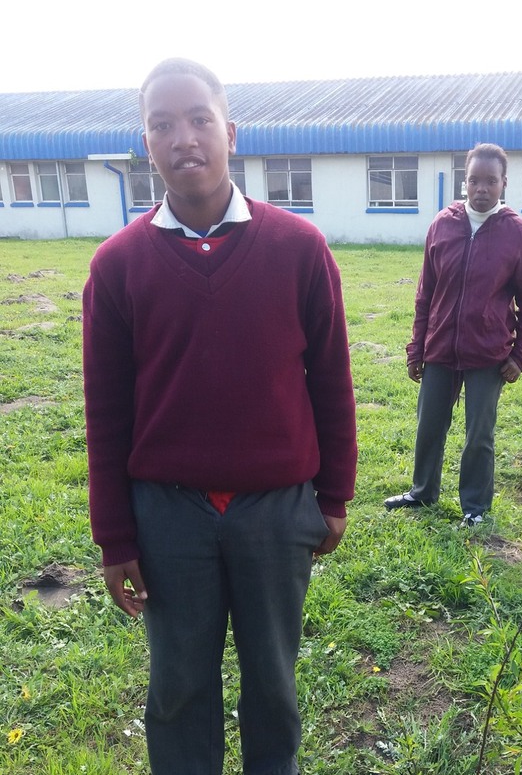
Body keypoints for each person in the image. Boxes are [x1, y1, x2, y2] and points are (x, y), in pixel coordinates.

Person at [82, 58, 357, 775]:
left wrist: (334, 496)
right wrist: (115, 535)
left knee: (274, 683)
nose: (184, 138)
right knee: (178, 688)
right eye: (162, 124)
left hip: (276, 512)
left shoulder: (299, 249)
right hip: (167, 517)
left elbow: (331, 380)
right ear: (146, 143)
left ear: (231, 133)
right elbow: (106, 412)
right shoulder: (117, 266)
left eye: (200, 119)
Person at [384, 143, 522, 526]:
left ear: (504, 183)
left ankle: (475, 509)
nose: (481, 189)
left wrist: (521, 356)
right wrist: (416, 349)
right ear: (465, 181)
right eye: (474, 180)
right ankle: (422, 492)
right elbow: (425, 295)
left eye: (490, 181)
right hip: (440, 348)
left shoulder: (519, 235)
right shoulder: (442, 225)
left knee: (479, 435)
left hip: (488, 355)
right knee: (428, 426)